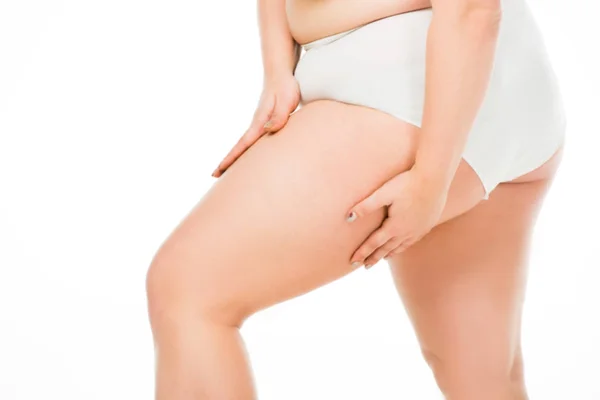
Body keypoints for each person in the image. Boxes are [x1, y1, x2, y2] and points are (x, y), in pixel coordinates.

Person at [145, 0, 566, 398]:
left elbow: (473, 9)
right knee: (483, 380)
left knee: (189, 291)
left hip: (416, 76)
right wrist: (278, 67)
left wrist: (431, 180)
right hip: (477, 77)